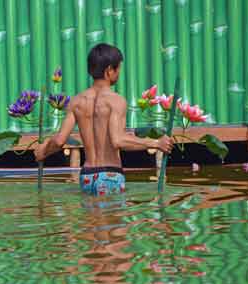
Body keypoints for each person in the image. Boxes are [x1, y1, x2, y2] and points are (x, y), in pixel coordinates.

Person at [34, 43, 174, 196]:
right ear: (109, 70)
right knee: (112, 218)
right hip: (110, 175)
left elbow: (60, 141)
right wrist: (156, 143)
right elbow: (118, 140)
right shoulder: (116, 101)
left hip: (86, 175)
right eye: (118, 68)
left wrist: (44, 150)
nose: (119, 73)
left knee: (92, 219)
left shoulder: (76, 101)